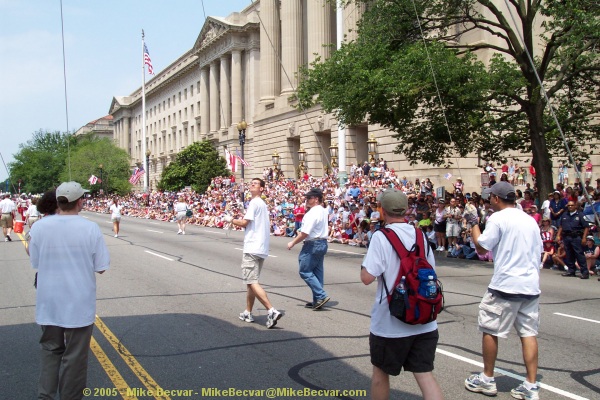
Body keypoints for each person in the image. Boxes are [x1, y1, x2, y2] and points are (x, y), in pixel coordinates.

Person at [29, 181, 110, 399]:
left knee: (50, 352)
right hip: (78, 302)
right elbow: (101, 267)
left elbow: (35, 261)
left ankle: (45, 395)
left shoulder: (39, 227)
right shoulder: (89, 227)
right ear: (79, 201)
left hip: (49, 301)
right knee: (75, 358)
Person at [360, 188, 443, 400]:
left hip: (391, 322)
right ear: (406, 211)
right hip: (424, 318)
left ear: (382, 210)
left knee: (380, 373)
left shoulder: (381, 236)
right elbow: (430, 268)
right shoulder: (420, 234)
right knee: (425, 375)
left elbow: (367, 277)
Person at [464, 181, 542, 400]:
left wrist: (473, 223)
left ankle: (487, 379)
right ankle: (531, 385)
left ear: (497, 199)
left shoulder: (497, 218)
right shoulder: (529, 220)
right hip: (530, 285)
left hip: (506, 284)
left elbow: (481, 247)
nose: (489, 201)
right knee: (528, 333)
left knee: (490, 328)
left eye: (491, 198)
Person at [224, 178, 282, 328]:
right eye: (251, 183)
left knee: (251, 281)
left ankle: (271, 310)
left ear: (262, 188)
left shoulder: (255, 202)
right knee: (252, 282)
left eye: (255, 184)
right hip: (261, 247)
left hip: (253, 247)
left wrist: (230, 219)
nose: (252, 185)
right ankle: (247, 312)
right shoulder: (261, 204)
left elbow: (244, 222)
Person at [287, 188, 330, 310]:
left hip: (313, 243)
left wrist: (293, 243)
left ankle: (321, 295)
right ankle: (318, 299)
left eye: (309, 198)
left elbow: (305, 233)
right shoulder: (322, 210)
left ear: (316, 199)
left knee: (305, 270)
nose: (306, 200)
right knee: (317, 272)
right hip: (321, 242)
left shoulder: (313, 213)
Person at [556, 200, 590, 279]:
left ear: (575, 206)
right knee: (569, 254)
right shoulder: (565, 215)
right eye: (569, 205)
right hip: (566, 236)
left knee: (579, 255)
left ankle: (585, 272)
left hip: (576, 237)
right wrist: (558, 235)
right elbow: (561, 226)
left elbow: (586, 227)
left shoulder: (580, 215)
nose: (570, 207)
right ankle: (571, 271)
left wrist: (584, 238)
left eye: (572, 205)